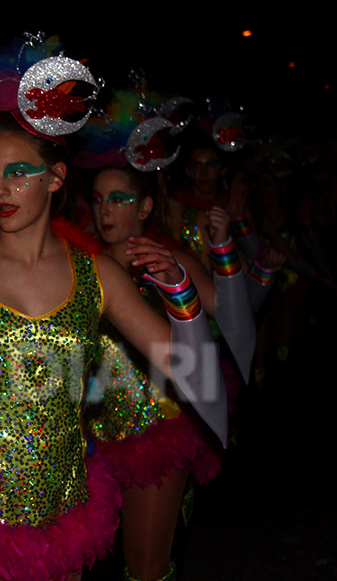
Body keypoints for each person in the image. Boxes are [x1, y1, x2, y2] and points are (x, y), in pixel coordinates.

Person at [0, 105, 223, 581]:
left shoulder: (95, 273)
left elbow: (188, 364)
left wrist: (181, 291)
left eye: (19, 173)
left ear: (56, 178)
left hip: (64, 511)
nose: (0, 189)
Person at [86, 164, 255, 581]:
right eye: (98, 199)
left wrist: (222, 249)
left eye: (119, 199)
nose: (105, 210)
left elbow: (233, 315)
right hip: (93, 432)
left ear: (145, 206)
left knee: (145, 566)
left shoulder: (168, 259)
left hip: (156, 430)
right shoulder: (80, 265)